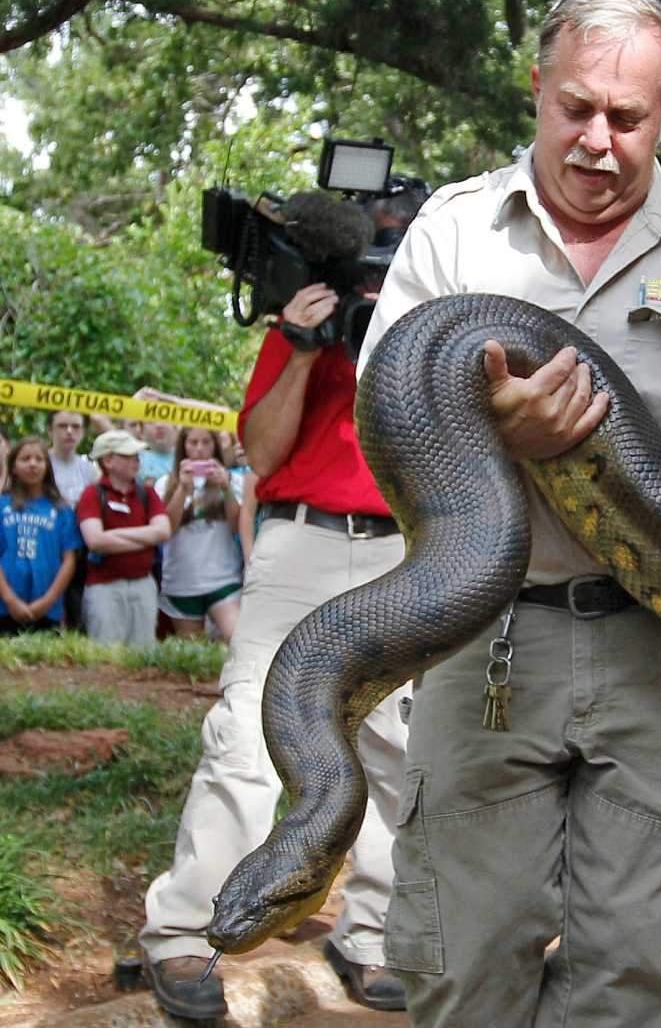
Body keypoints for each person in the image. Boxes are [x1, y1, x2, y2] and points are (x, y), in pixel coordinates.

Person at [360, 0, 661, 1027]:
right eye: (576, 108)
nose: (598, 139)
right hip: (484, 637)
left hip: (659, 646)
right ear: (537, 89)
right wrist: (496, 433)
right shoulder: (455, 233)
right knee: (463, 967)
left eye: (627, 116)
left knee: (634, 975)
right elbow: (388, 422)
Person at [137, 281, 413, 1021]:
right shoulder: (297, 323)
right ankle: (186, 931)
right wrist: (299, 344)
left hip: (402, 545)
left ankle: (373, 935)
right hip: (301, 536)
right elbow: (261, 451)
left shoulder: (428, 302)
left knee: (401, 744)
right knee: (246, 733)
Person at [75, 429, 170, 648]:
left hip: (144, 584)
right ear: (108, 460)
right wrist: (145, 536)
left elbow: (163, 532)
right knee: (106, 656)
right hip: (104, 588)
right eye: (128, 456)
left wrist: (114, 537)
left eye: (137, 455)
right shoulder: (92, 494)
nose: (137, 461)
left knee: (143, 655)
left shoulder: (147, 493)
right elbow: (95, 541)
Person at [155, 426, 245, 640]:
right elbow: (166, 530)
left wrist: (226, 488)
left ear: (215, 446)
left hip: (223, 578)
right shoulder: (165, 483)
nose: (199, 449)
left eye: (206, 442)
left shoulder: (233, 480)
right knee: (192, 652)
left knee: (235, 638)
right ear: (183, 447)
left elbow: (237, 527)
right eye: (193, 443)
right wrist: (182, 490)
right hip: (181, 581)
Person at [2, 435, 83, 634]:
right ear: (13, 467)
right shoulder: (2, 505)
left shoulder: (62, 510)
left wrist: (48, 601)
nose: (33, 464)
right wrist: (11, 600)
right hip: (5, 607)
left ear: (47, 466)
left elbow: (69, 560)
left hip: (48, 608)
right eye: (25, 459)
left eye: (39, 459)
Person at [47, 411, 95, 507]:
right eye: (62, 426)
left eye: (76, 426)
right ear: (50, 430)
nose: (69, 431)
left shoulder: (90, 470)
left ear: (83, 432)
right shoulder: (39, 464)